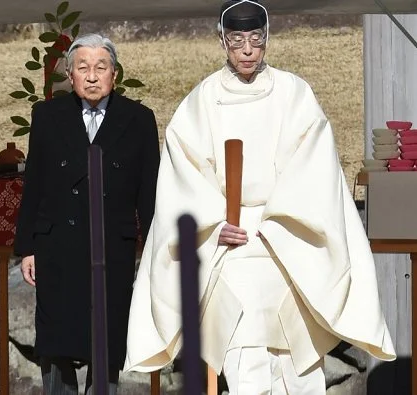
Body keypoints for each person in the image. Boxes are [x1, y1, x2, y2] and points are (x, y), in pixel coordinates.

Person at [123, 1, 396, 393]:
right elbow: (183, 171)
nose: (248, 50)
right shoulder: (202, 100)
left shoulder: (293, 93)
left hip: (284, 240)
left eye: (256, 39)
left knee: (297, 364)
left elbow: (313, 162)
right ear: (222, 41)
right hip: (230, 242)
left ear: (267, 38)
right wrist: (214, 223)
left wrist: (280, 218)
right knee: (244, 354)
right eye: (237, 41)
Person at [14, 33, 160, 395]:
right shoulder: (47, 115)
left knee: (106, 338)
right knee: (57, 338)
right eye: (83, 68)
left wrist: (156, 248)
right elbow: (35, 182)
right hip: (58, 245)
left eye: (101, 67)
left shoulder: (139, 119)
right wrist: (28, 246)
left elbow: (151, 192)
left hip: (113, 244)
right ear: (70, 74)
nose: (92, 76)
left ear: (115, 74)